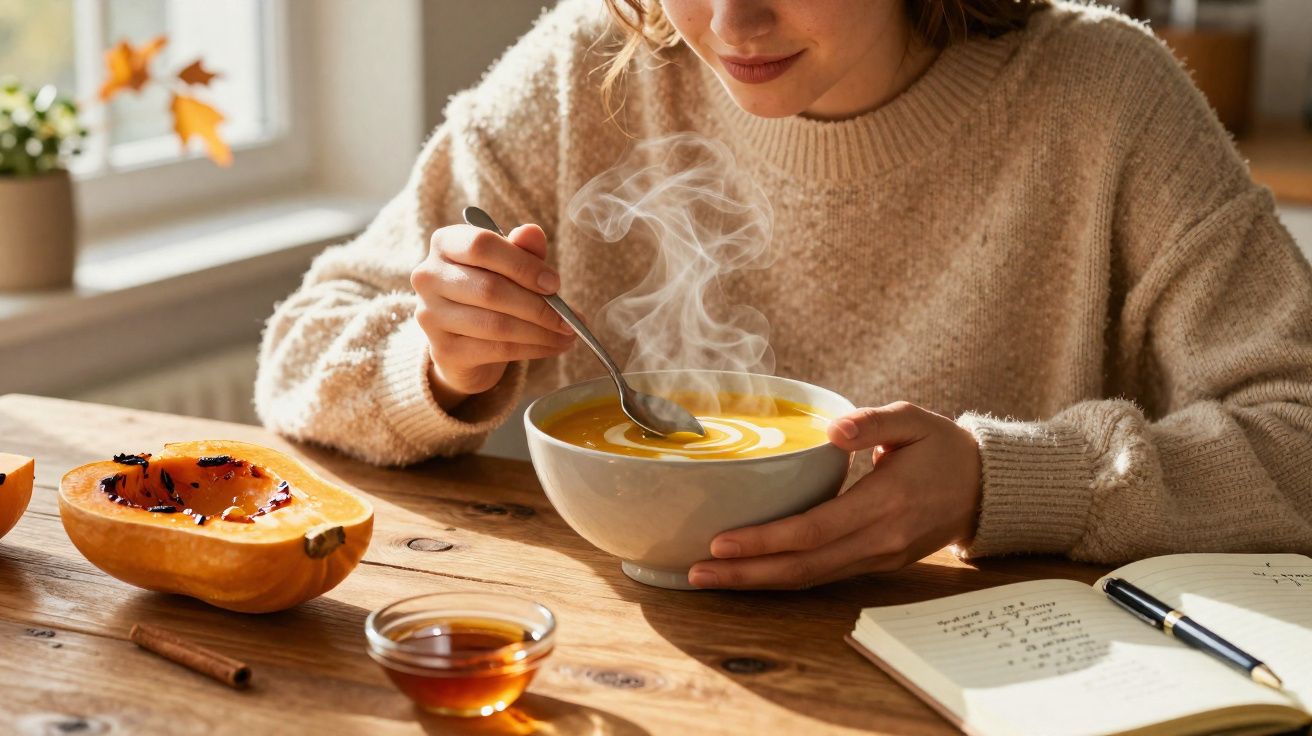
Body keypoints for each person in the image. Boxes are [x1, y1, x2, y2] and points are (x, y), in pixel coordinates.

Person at [255, 0, 1312, 590]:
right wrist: (438, 363)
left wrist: (1003, 481)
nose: (729, 20)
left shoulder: (1104, 100)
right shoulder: (591, 70)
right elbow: (302, 351)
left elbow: (1299, 435)